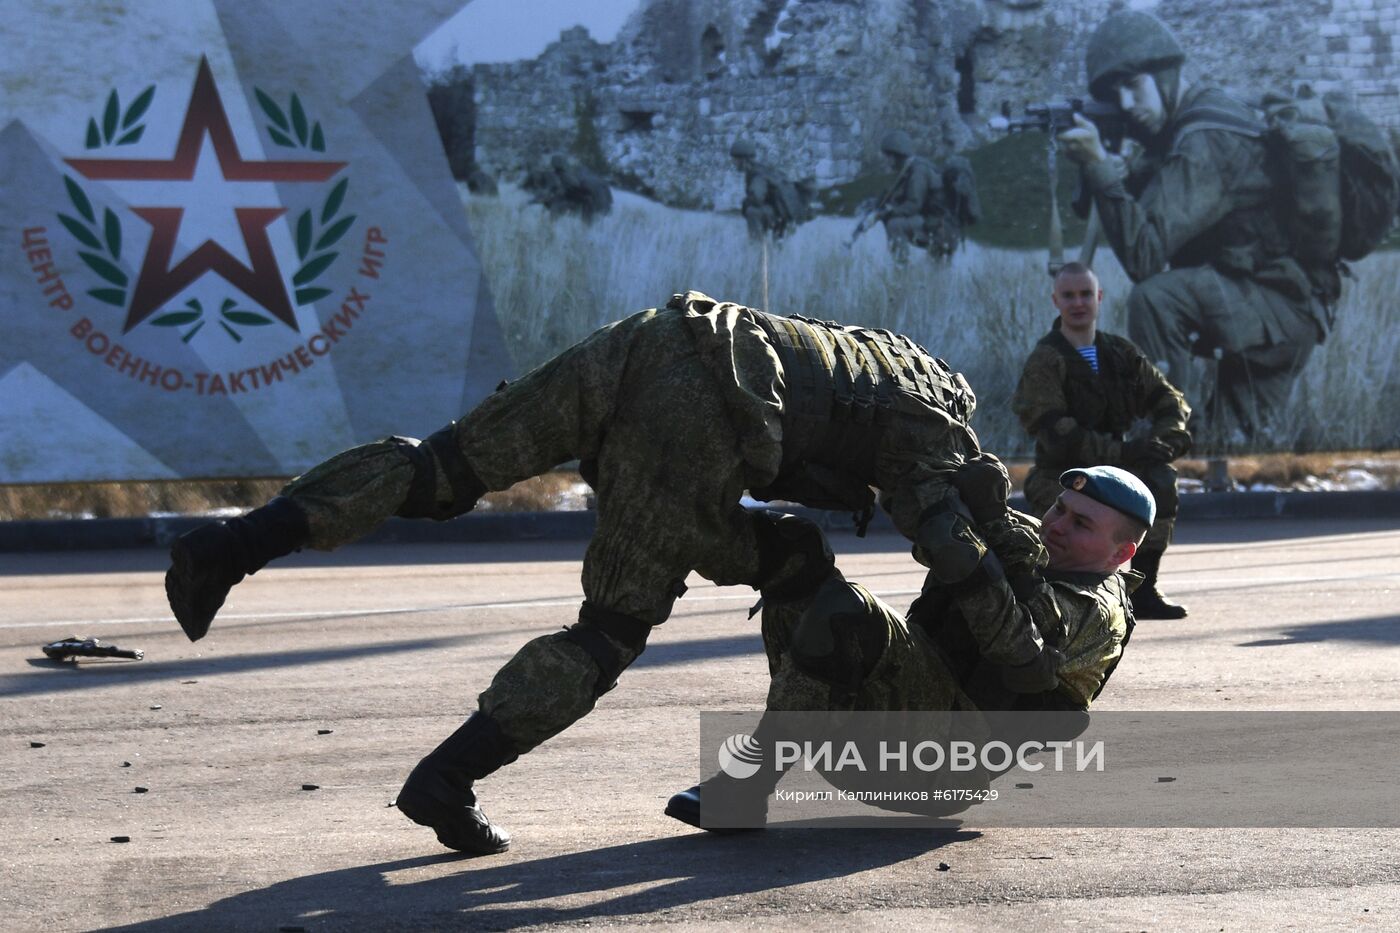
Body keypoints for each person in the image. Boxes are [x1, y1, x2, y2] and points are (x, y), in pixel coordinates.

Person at [165, 290, 1047, 856]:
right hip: (698, 410)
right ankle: (447, 779)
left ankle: (228, 548)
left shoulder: (874, 354)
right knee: (613, 626)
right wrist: (1032, 666)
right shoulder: (938, 424)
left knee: (443, 471)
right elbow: (953, 549)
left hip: (648, 337)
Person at [665, 464, 1150, 830]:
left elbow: (1013, 641)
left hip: (934, 770)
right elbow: (936, 527)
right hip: (872, 738)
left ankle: (746, 788)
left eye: (1081, 524)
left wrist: (990, 530)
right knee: (794, 552)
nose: (1057, 525)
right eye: (1059, 508)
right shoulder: (1032, 543)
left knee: (847, 611)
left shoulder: (1097, 612)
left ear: (1121, 553)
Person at [1057, 10, 1331, 446]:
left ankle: (1161, 433)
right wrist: (1108, 169)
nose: (1127, 105)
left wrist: (1098, 166)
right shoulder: (1191, 124)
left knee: (1155, 299)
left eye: (1134, 86)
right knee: (1234, 443)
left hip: (1276, 308)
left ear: (1167, 76)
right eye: (1116, 94)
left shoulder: (1203, 142)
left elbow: (1145, 258)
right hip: (1266, 302)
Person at [1012, 262, 1191, 619]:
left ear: (1099, 297)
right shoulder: (1046, 360)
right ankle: (1051, 597)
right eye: (1069, 295)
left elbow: (1169, 400)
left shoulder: (1119, 353)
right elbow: (1056, 433)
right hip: (1063, 474)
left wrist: (1165, 441)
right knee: (1063, 531)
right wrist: (1123, 451)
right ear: (1055, 300)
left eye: (1085, 294)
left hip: (1115, 470)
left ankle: (1143, 587)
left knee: (1159, 477)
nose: (1078, 303)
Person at [872, 130, 958, 260]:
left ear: (897, 155)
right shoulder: (910, 169)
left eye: (888, 156)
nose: (887, 161)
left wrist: (890, 212)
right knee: (936, 273)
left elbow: (914, 205)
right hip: (936, 224)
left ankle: (901, 270)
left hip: (940, 228)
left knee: (894, 225)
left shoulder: (918, 171)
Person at [730, 138, 811, 241]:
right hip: (785, 215)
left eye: (735, 159)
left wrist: (745, 203)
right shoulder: (764, 169)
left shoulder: (757, 174)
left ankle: (756, 247)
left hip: (780, 216)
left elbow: (757, 197)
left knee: (752, 211)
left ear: (742, 159)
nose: (733, 162)